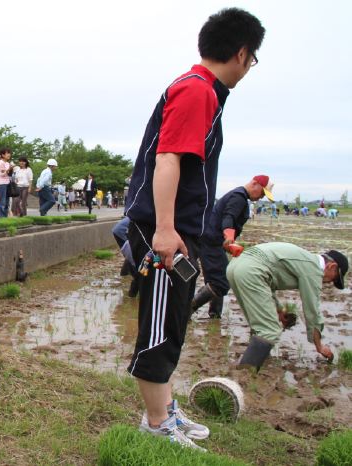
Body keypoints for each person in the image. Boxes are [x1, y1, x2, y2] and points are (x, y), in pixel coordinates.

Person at [122, 8, 264, 450]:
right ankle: (155, 422)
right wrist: (165, 229)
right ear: (241, 53)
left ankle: (165, 410)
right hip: (166, 231)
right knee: (161, 328)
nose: (249, 66)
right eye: (253, 58)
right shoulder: (196, 90)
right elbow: (168, 159)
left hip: (181, 230)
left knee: (176, 321)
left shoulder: (202, 91)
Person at [227, 243, 347, 370]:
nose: (329, 282)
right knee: (269, 330)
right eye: (334, 279)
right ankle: (245, 374)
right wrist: (319, 346)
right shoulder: (314, 270)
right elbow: (312, 311)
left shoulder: (305, 259)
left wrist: (279, 309)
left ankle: (259, 360)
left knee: (259, 325)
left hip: (235, 266)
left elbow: (267, 282)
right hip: (251, 271)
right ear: (332, 266)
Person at [191, 175, 274, 318]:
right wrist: (229, 236)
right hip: (211, 242)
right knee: (221, 282)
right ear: (255, 184)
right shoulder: (239, 197)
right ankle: (188, 309)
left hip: (213, 241)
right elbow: (228, 217)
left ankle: (215, 314)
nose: (261, 197)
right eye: (262, 193)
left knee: (218, 278)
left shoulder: (239, 195)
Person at [0, 148, 13, 217]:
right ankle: (1, 218)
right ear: (2, 155)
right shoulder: (0, 163)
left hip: (7, 183)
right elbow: (2, 174)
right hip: (2, 184)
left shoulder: (7, 163)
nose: (9, 155)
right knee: (2, 202)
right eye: (7, 153)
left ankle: (5, 217)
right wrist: (9, 169)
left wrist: (11, 169)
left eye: (9, 153)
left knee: (7, 202)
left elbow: (9, 174)